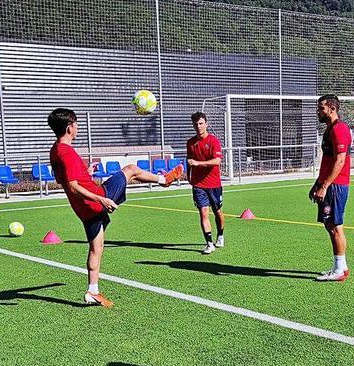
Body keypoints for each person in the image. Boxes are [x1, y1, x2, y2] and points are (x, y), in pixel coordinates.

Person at [48, 108, 184, 308]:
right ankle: (164, 179)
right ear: (69, 128)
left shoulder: (55, 150)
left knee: (97, 248)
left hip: (83, 209)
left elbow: (62, 179)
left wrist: (85, 172)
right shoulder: (66, 152)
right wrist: (101, 200)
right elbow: (72, 186)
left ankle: (92, 291)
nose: (78, 128)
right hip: (96, 199)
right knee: (130, 170)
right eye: (76, 124)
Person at [310, 94, 352, 282]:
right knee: (333, 226)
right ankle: (340, 267)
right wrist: (317, 183)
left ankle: (339, 270)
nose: (318, 111)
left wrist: (325, 185)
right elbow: (327, 161)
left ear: (332, 109)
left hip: (336, 185)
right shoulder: (330, 129)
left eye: (321, 108)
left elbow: (340, 160)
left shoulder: (339, 129)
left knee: (334, 227)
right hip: (329, 184)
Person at [186, 112, 225, 254]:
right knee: (203, 213)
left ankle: (220, 235)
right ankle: (209, 243)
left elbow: (217, 161)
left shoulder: (214, 141)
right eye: (195, 124)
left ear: (206, 124)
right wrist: (189, 176)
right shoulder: (190, 143)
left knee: (218, 212)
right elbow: (189, 161)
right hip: (198, 185)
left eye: (201, 123)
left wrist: (198, 163)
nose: (198, 126)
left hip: (214, 184)